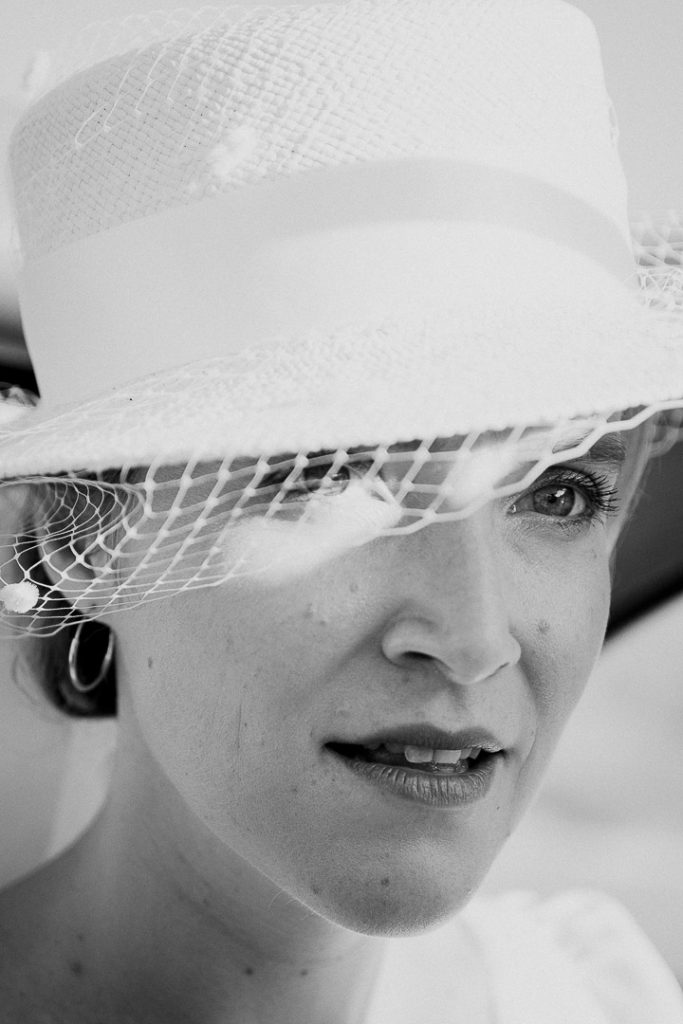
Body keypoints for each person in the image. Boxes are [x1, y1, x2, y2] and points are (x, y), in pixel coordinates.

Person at [0, 1, 682, 1020]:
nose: (469, 637)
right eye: (328, 475)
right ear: (89, 536)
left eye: (559, 491)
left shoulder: (595, 996)